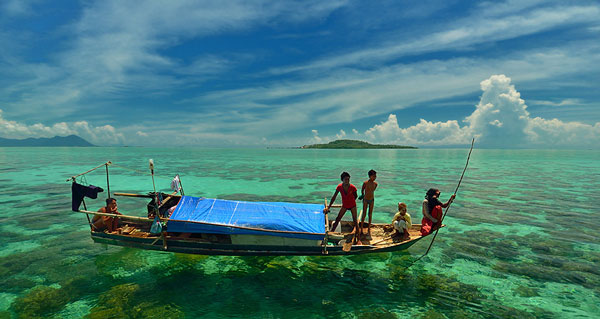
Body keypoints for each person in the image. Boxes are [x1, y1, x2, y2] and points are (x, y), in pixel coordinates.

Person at [324, 172, 361, 244]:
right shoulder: (339, 187)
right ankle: (331, 233)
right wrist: (328, 207)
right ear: (342, 180)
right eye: (345, 179)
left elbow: (355, 196)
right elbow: (334, 197)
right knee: (338, 218)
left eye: (348, 179)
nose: (347, 181)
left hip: (352, 205)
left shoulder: (353, 187)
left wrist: (351, 203)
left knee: (355, 222)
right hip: (345, 205)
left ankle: (358, 238)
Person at [359, 169, 378, 237]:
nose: (375, 177)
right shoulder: (365, 183)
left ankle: (369, 228)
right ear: (370, 176)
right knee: (364, 214)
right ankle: (361, 228)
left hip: (372, 200)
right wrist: (363, 195)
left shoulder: (375, 184)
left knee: (370, 214)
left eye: (375, 176)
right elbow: (362, 190)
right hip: (366, 200)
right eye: (373, 176)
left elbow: (373, 190)